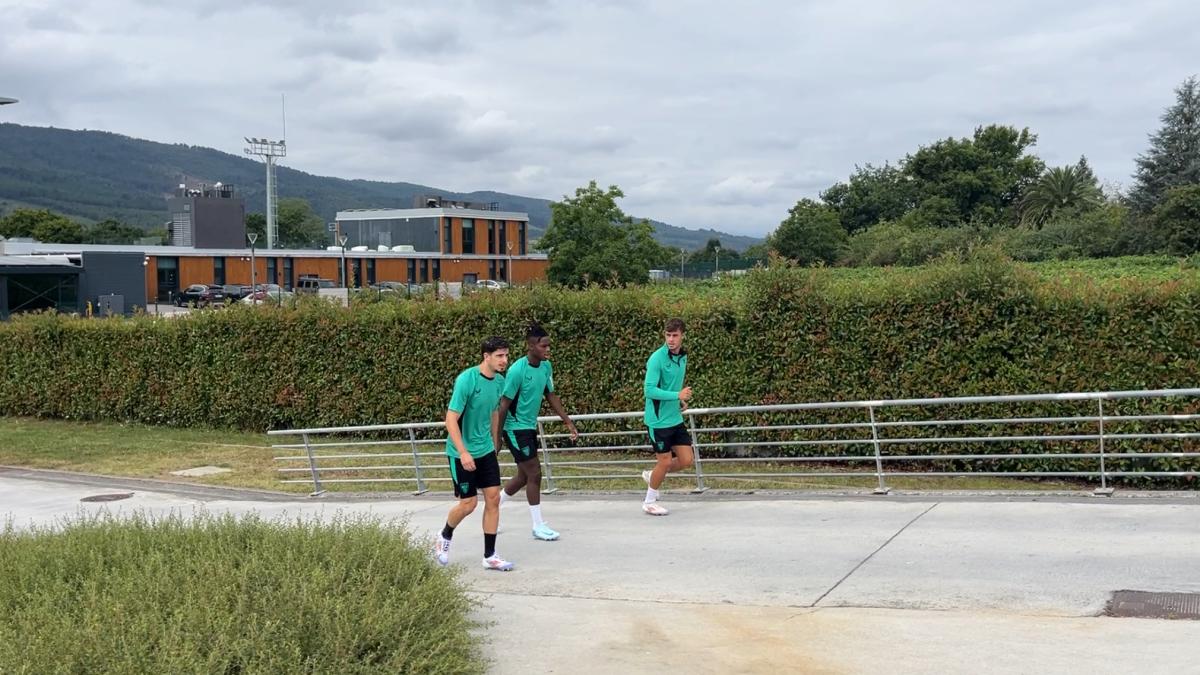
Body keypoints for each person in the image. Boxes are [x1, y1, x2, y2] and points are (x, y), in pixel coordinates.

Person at [434, 336, 514, 571]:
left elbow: (493, 413)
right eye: (499, 356)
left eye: (506, 355)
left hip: (485, 450)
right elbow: (450, 419)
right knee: (468, 504)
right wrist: (463, 452)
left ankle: (490, 556)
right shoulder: (467, 380)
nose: (504, 360)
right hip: (461, 453)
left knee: (493, 499)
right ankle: (444, 535)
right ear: (486, 357)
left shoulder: (499, 382)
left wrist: (494, 440)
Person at [496, 322, 579, 540]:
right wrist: (496, 439)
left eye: (549, 345)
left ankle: (494, 504)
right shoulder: (516, 371)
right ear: (530, 346)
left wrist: (567, 421)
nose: (548, 349)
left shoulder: (546, 367)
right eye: (543, 346)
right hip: (514, 428)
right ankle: (538, 525)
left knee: (524, 477)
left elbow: (550, 395)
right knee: (535, 473)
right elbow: (503, 405)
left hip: (528, 427)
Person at [640, 317, 694, 515]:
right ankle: (649, 501)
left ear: (682, 336)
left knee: (687, 460)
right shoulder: (656, 359)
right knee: (664, 461)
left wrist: (679, 400)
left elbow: (672, 385)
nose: (671, 339)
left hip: (675, 419)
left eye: (675, 335)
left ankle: (653, 475)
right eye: (668, 335)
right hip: (658, 421)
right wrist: (677, 395)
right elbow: (649, 390)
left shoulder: (683, 357)